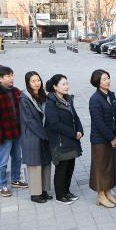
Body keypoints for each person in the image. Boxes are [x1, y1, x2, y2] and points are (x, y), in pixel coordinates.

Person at [0, 66, 29, 197]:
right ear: (0, 78)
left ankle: (15, 179)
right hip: (4, 136)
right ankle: (2, 185)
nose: (11, 78)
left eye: (12, 75)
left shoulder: (16, 91)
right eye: (7, 76)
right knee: (2, 161)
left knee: (18, 158)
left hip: (17, 132)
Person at [44, 74, 83, 205]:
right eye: (63, 84)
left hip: (71, 139)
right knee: (62, 169)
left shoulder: (68, 99)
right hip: (60, 141)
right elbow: (55, 124)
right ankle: (60, 195)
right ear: (55, 87)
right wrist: (73, 133)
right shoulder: (50, 103)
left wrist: (80, 130)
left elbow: (75, 117)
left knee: (70, 167)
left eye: (67, 83)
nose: (66, 86)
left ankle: (67, 191)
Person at [88, 69, 116, 208]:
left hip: (112, 137)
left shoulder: (111, 95)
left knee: (109, 166)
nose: (107, 81)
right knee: (100, 167)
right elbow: (98, 122)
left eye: (108, 78)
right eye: (104, 79)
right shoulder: (94, 99)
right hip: (100, 139)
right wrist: (111, 137)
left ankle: (108, 192)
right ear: (97, 82)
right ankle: (100, 195)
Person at [19, 71, 53, 203]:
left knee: (45, 163)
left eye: (38, 80)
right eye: (33, 81)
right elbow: (29, 120)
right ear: (28, 83)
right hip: (32, 136)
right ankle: (35, 194)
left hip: (44, 134)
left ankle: (43, 190)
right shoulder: (24, 98)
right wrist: (45, 134)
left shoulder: (43, 95)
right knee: (35, 165)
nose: (36, 83)